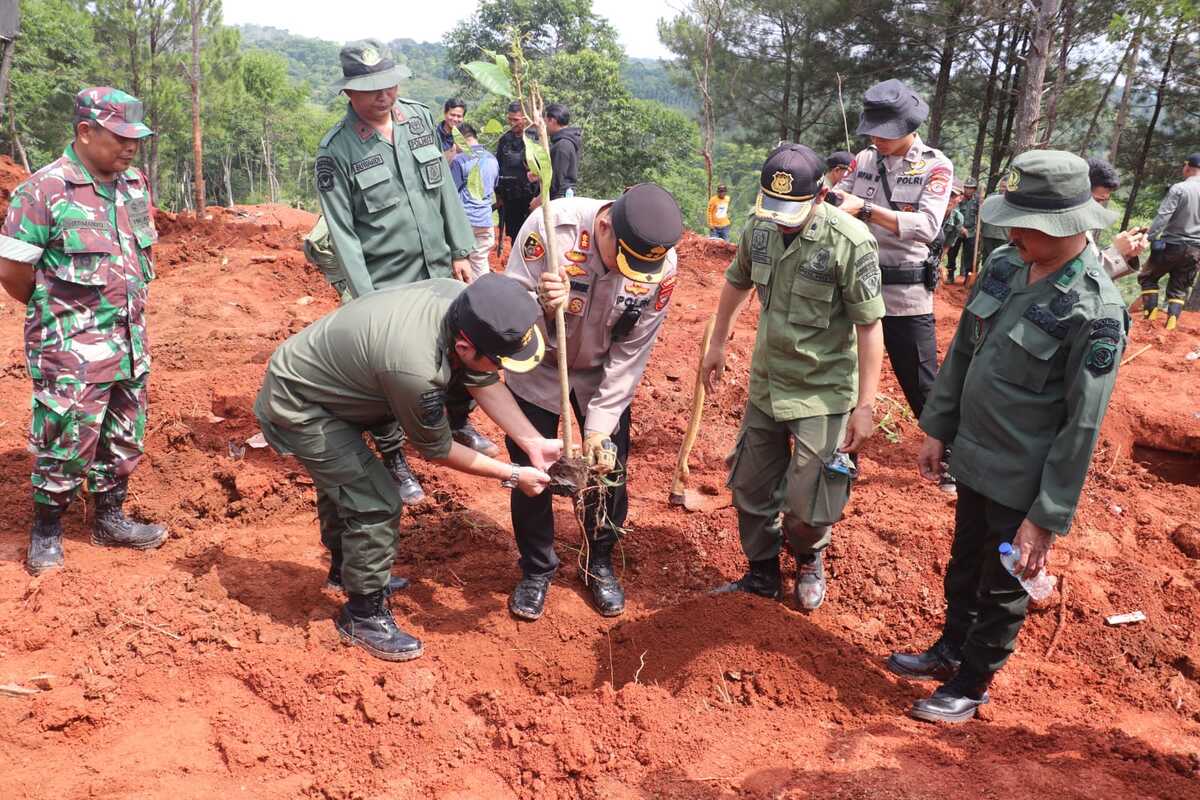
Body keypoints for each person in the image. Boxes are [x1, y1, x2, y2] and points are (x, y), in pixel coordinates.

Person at [890, 151, 1128, 723]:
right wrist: (937, 427)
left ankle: (973, 682)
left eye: (1026, 223)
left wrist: (1047, 515)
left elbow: (1083, 424)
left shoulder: (1095, 309)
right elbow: (963, 353)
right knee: (965, 560)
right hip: (972, 454)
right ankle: (951, 648)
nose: (1013, 230)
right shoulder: (1003, 264)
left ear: (1066, 226)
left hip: (1024, 477)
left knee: (1005, 581)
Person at [254, 275, 562, 661]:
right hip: (301, 403)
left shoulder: (464, 305)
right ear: (465, 346)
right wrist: (512, 474)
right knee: (374, 500)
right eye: (499, 358)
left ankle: (345, 572)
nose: (499, 366)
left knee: (348, 484)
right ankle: (362, 614)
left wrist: (533, 442)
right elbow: (437, 449)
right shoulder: (416, 369)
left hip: (334, 384)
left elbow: (482, 378)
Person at [703, 144, 885, 610]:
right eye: (774, 208)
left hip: (822, 391)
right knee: (750, 486)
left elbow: (869, 326)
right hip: (767, 382)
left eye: (793, 209)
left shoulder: (850, 241)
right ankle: (761, 571)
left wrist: (865, 405)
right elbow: (736, 282)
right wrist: (717, 344)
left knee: (810, 501)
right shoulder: (759, 227)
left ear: (822, 195)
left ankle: (807, 556)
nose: (782, 218)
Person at [314, 40, 494, 506]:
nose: (384, 96)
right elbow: (344, 233)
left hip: (438, 266)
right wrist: (366, 300)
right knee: (387, 371)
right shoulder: (337, 152)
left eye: (389, 85)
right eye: (371, 89)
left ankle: (457, 420)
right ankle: (394, 458)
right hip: (387, 281)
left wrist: (460, 248)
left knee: (462, 346)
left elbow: (445, 194)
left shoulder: (416, 120)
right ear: (349, 93)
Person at [0, 87, 168, 575]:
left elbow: (140, 252)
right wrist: (61, 318)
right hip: (70, 346)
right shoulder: (43, 190)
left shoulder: (134, 183)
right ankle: (47, 530)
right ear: (85, 132)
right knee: (65, 437)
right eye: (119, 137)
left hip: (130, 337)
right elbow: (14, 273)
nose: (130, 147)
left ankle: (109, 519)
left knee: (123, 434)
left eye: (135, 137)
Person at [502, 183, 684, 621]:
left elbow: (631, 354)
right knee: (533, 471)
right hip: (539, 365)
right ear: (604, 226)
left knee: (609, 472)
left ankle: (597, 560)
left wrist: (600, 425)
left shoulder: (661, 267)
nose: (630, 272)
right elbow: (506, 310)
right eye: (620, 260)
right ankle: (537, 567)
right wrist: (542, 305)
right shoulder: (553, 229)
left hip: (603, 374)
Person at [833, 79, 955, 492]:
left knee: (921, 380)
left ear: (909, 126)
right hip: (856, 284)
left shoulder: (936, 165)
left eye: (886, 133)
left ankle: (948, 457)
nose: (877, 140)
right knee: (847, 373)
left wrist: (866, 210)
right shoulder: (862, 160)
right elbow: (836, 198)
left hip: (906, 291)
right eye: (872, 131)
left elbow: (927, 226)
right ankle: (843, 456)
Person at [1139, 153, 1200, 330]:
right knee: (1179, 287)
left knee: (1148, 277)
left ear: (1187, 167)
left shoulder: (1179, 189)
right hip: (1195, 250)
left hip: (1171, 245)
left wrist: (1148, 237)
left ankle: (1149, 318)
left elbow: (1163, 217)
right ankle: (1171, 324)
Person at [450, 122, 500, 281]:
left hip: (464, 222)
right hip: (485, 220)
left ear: (460, 140)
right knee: (480, 263)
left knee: (460, 265)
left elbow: (451, 192)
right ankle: (483, 298)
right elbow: (494, 185)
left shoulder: (460, 160)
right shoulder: (492, 159)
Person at [1085, 157, 1148, 281]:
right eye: (1097, 200)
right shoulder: (1061, 227)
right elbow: (1077, 279)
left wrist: (1125, 255)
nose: (1098, 207)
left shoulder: (1081, 226)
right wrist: (1115, 253)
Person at [495, 101, 539, 248]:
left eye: (516, 120)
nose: (512, 123)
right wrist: (498, 195)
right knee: (514, 235)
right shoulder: (504, 139)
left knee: (531, 236)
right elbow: (499, 167)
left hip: (530, 198)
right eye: (510, 119)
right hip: (510, 197)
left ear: (525, 119)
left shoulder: (536, 139)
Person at [539, 103, 580, 203]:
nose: (544, 126)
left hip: (558, 199)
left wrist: (539, 199)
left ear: (552, 120)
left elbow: (556, 180)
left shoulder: (562, 145)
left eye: (545, 121)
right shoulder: (567, 141)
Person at [947, 178, 978, 281]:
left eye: (971, 188)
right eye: (966, 188)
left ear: (974, 189)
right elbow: (955, 213)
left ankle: (967, 279)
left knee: (969, 255)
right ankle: (950, 275)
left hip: (971, 232)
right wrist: (961, 228)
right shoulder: (959, 198)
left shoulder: (978, 200)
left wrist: (978, 230)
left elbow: (979, 215)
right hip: (957, 230)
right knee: (952, 253)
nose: (968, 190)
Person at [977, 177, 1009, 266]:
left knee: (1000, 258)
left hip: (1004, 235)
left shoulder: (1013, 201)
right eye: (1002, 186)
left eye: (1006, 187)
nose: (1003, 189)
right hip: (988, 232)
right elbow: (983, 214)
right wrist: (980, 229)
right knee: (987, 258)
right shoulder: (990, 198)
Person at [942, 182, 966, 283]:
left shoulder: (958, 219)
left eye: (952, 195)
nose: (948, 198)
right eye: (946, 193)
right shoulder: (928, 211)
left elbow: (948, 243)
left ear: (960, 198)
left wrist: (939, 260)